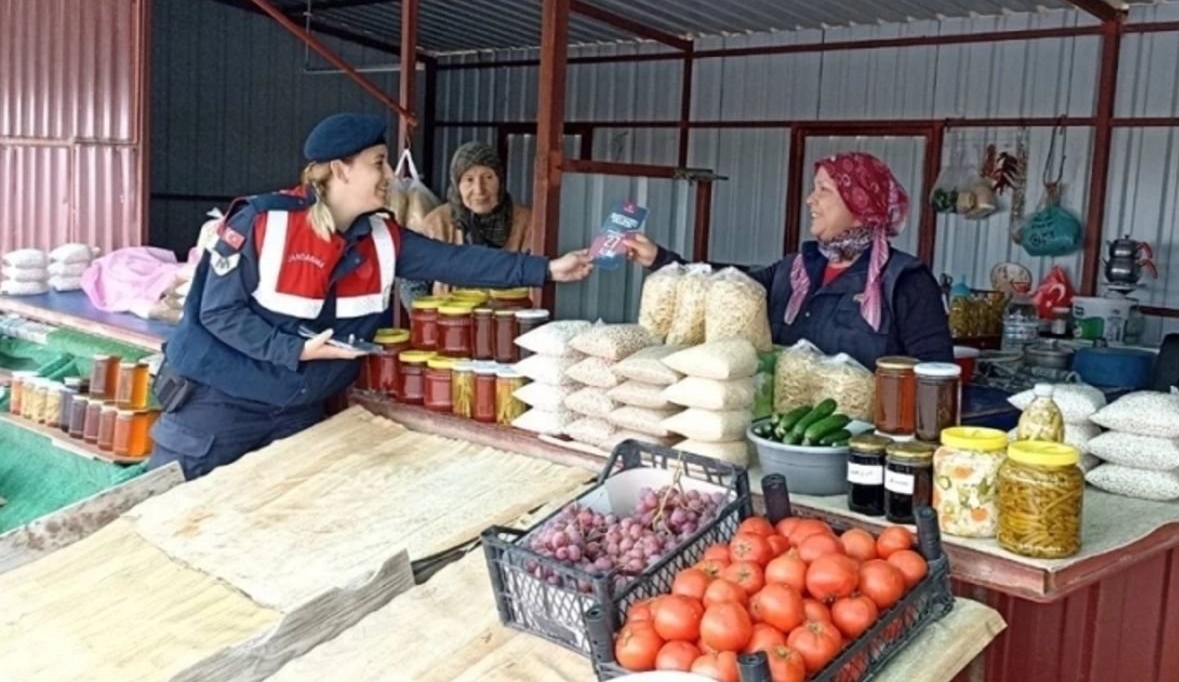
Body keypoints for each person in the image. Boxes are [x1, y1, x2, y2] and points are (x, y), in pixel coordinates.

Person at [150, 114, 592, 480]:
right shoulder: (264, 221)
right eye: (379, 163)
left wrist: (548, 269)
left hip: (297, 412)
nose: (390, 175)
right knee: (165, 528)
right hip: (218, 407)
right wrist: (296, 348)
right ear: (341, 169)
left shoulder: (381, 236)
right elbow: (218, 312)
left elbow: (458, 262)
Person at [624, 152, 952, 369]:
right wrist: (662, 260)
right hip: (783, 434)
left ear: (860, 205)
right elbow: (729, 284)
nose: (811, 199)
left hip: (862, 449)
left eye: (823, 189)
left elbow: (936, 375)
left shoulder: (904, 280)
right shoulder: (795, 269)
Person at [415, 141, 531, 297]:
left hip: (508, 318)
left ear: (500, 181)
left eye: (488, 178)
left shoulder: (527, 222)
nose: (479, 190)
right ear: (457, 184)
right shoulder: (436, 222)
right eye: (469, 179)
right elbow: (413, 282)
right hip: (449, 319)